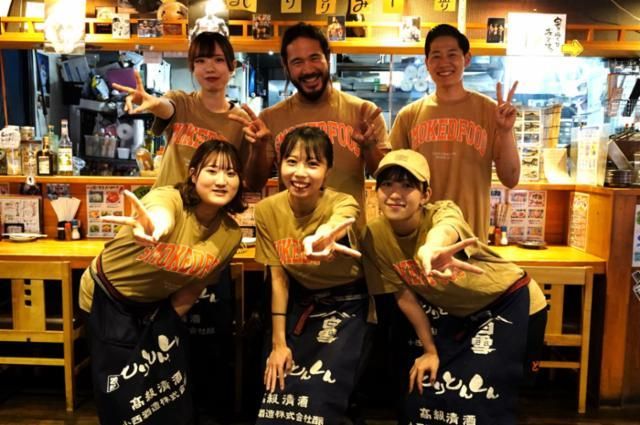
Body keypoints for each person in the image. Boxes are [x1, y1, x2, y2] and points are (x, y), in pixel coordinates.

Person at [363, 149, 548, 425]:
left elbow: (446, 227)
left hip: (512, 300)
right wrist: (430, 350)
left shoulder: (443, 211)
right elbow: (404, 297)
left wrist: (432, 247)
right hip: (465, 314)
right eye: (386, 184)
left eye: (407, 185)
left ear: (425, 194)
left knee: (483, 401)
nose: (395, 193)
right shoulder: (375, 235)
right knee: (429, 397)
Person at [79, 140, 246, 425]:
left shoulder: (230, 235)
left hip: (155, 308)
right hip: (107, 298)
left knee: (158, 391)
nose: (221, 181)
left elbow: (196, 285)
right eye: (212, 170)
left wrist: (163, 323)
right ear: (193, 174)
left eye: (230, 173)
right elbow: (161, 215)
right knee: (121, 392)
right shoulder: (170, 199)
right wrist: (154, 227)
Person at [254, 126, 370, 425]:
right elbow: (278, 279)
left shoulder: (342, 201)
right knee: (277, 393)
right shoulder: (266, 210)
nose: (300, 173)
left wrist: (323, 236)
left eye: (313, 164)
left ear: (328, 171)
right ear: (279, 164)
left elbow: (342, 218)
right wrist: (278, 345)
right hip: (300, 302)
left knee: (321, 398)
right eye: (291, 162)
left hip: (348, 304)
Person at [231, 22, 389, 214]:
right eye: (297, 62)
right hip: (292, 230)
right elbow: (254, 184)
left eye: (314, 58)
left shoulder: (363, 112)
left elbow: (386, 177)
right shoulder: (270, 118)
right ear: (286, 67)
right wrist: (258, 149)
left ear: (327, 57)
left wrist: (370, 147)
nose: (308, 70)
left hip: (348, 229)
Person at [389, 23, 520, 241]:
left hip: (471, 239)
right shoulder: (408, 116)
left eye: (452, 54)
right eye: (436, 56)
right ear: (427, 63)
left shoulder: (490, 112)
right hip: (420, 239)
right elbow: (391, 179)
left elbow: (511, 179)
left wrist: (505, 132)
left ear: (466, 59)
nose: (444, 63)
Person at [113, 31, 267, 191]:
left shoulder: (241, 121)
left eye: (218, 60)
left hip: (211, 205)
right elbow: (167, 107)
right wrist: (154, 103)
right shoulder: (181, 102)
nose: (210, 68)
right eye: (200, 61)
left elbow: (250, 181)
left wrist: (259, 148)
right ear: (192, 67)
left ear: (232, 66)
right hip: (168, 201)